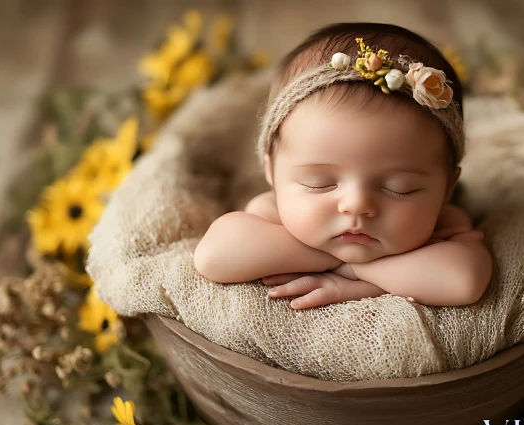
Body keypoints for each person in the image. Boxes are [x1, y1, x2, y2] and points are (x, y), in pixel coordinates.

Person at [194, 23, 492, 310]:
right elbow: (213, 257)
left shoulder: (445, 223)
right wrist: (348, 264)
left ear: (446, 189)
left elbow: (463, 281)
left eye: (399, 188)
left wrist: (355, 274)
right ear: (272, 172)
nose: (357, 205)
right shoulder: (271, 213)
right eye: (320, 182)